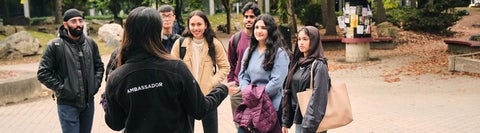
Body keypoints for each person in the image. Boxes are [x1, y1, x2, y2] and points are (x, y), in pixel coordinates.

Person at [103, 7, 236, 132]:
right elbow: (199, 109)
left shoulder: (117, 77)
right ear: (157, 32)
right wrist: (222, 90)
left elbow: (115, 123)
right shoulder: (176, 68)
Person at [37, 8, 104, 133]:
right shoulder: (55, 46)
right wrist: (63, 89)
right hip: (67, 105)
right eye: (73, 21)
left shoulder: (90, 43)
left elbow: (99, 66)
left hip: (88, 104)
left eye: (80, 20)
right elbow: (43, 73)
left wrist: (95, 85)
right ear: (65, 24)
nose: (78, 24)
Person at [170, 10, 230, 133]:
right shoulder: (180, 44)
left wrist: (212, 82)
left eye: (199, 24)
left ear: (206, 25)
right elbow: (171, 69)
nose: (196, 28)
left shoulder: (214, 44)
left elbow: (225, 67)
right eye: (192, 25)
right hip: (186, 96)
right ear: (188, 25)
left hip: (208, 96)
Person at [236, 14, 291, 133]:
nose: (258, 31)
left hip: (270, 106)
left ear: (270, 30)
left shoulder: (279, 54)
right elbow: (243, 75)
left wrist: (257, 96)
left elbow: (276, 82)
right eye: (256, 27)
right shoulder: (249, 51)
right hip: (251, 104)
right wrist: (247, 92)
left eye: (263, 28)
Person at [281, 26, 331, 133]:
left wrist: (308, 126)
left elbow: (319, 97)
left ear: (314, 41)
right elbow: (288, 91)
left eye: (305, 39)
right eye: (299, 39)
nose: (301, 43)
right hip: (299, 118)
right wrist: (286, 121)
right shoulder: (296, 63)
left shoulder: (319, 65)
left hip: (312, 123)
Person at [227, 2, 261, 123]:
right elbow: (230, 64)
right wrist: (231, 86)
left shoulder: (262, 39)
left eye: (252, 17)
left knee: (258, 125)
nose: (248, 20)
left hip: (257, 89)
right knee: (240, 125)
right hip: (238, 89)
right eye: (246, 16)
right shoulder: (235, 39)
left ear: (257, 18)